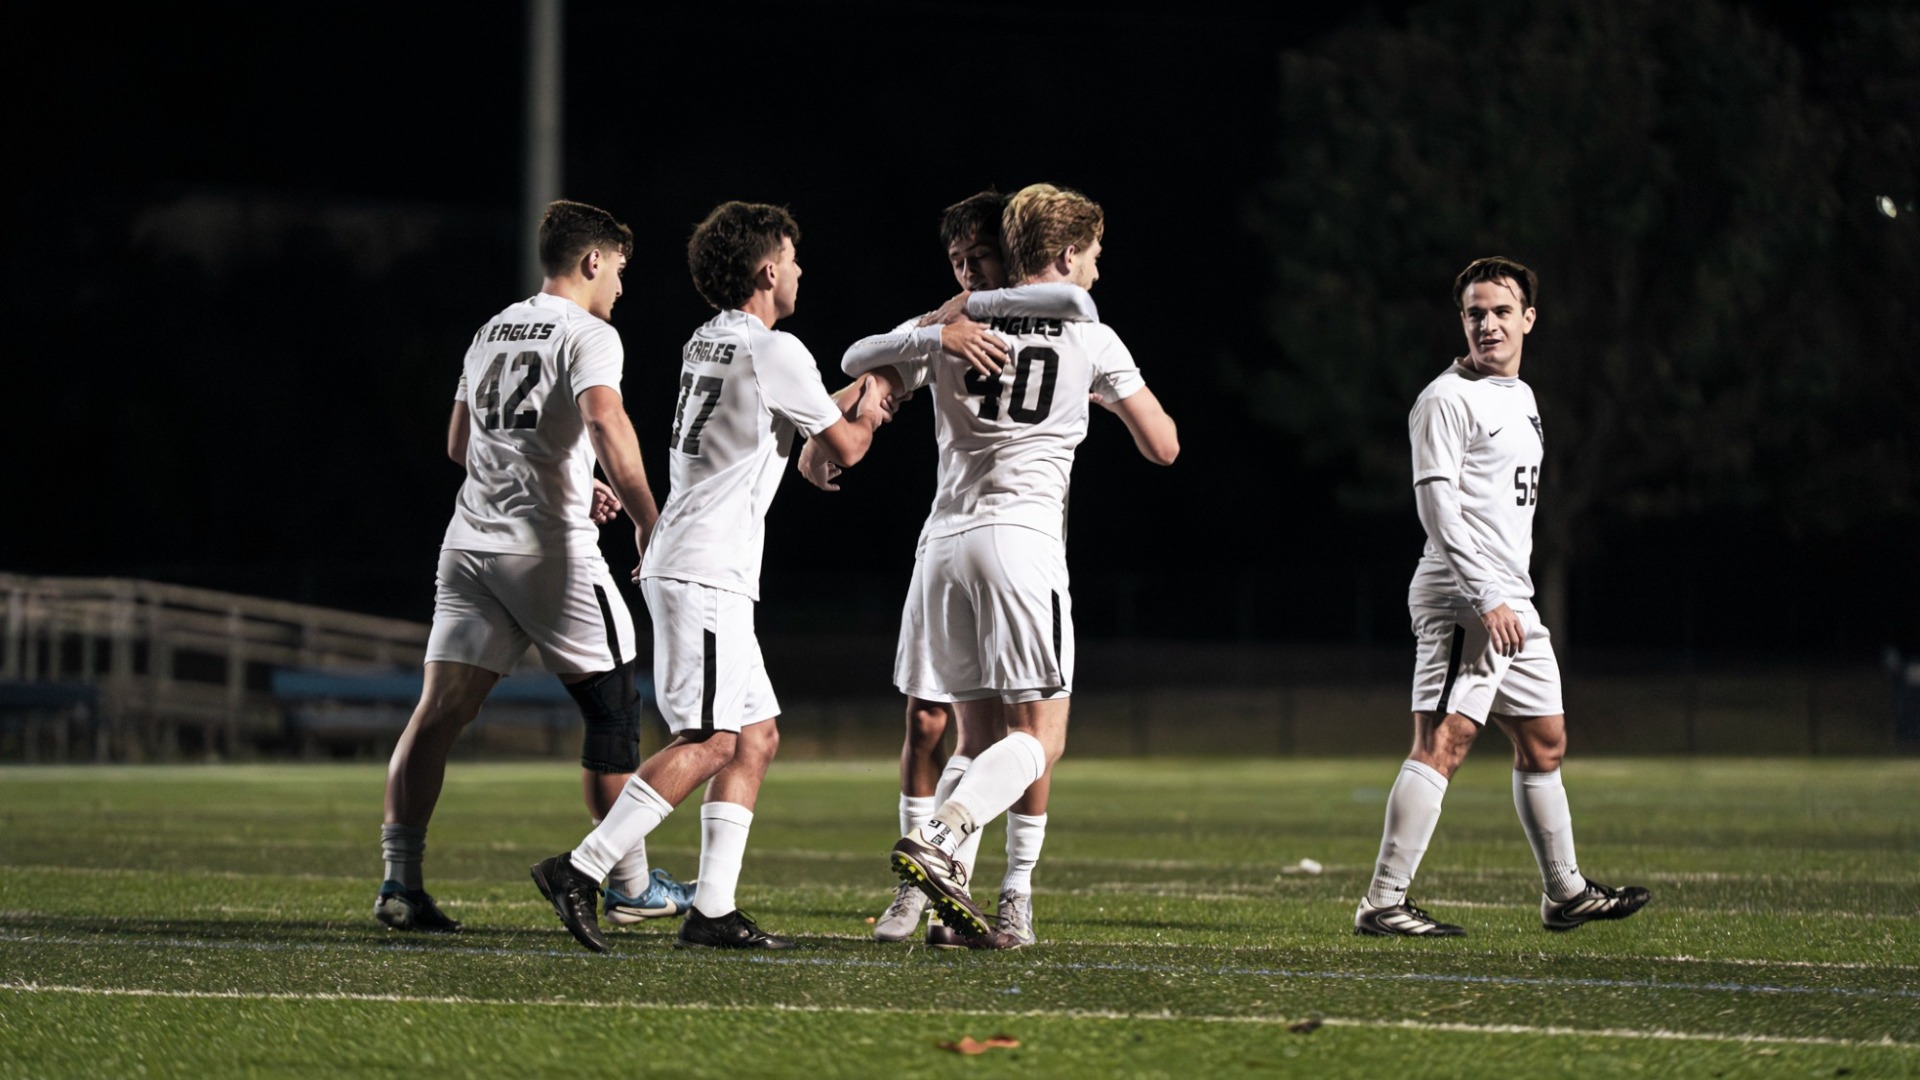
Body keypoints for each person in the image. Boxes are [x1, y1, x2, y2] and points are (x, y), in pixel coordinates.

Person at [530, 200, 894, 952]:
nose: (799, 270)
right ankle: (582, 868)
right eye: (791, 258)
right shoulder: (776, 347)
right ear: (768, 269)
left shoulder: (714, 339)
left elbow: (782, 429)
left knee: (754, 736)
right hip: (705, 568)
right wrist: (879, 399)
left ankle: (713, 909)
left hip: (698, 560)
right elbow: (844, 450)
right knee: (708, 739)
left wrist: (847, 403)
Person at [848, 183, 1178, 948]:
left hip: (943, 546)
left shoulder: (961, 319)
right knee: (1042, 738)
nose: (1096, 270)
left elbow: (863, 359)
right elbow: (1163, 447)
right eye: (1091, 255)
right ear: (1064, 254)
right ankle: (946, 836)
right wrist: (1105, 394)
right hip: (1021, 542)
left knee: (972, 737)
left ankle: (947, 891)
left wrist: (929, 336)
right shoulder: (1091, 334)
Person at [377, 199, 692, 933]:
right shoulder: (589, 332)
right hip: (548, 552)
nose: (619, 285)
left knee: (437, 715)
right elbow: (606, 420)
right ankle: (633, 884)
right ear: (590, 261)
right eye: (617, 269)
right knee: (612, 708)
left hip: (469, 546)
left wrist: (574, 480)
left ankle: (400, 882)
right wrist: (651, 519)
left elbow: (462, 444)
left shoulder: (492, 329)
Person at [803, 190, 1097, 947]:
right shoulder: (950, 325)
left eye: (980, 257)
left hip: (1008, 546)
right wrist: (829, 425)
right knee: (944, 723)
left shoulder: (1060, 324)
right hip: (969, 545)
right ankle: (929, 882)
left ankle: (1011, 890)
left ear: (1013, 254)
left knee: (1015, 734)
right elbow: (879, 375)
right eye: (957, 261)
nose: (967, 270)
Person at [1353, 256, 1650, 937]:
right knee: (1444, 741)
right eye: (1475, 313)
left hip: (1508, 598)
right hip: (1466, 595)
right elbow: (1439, 511)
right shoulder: (1444, 399)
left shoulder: (1521, 396)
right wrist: (1486, 593)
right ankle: (1383, 901)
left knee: (1545, 741)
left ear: (1529, 320)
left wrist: (1503, 594)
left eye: (1500, 311)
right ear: (1462, 321)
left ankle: (1565, 894)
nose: (1487, 324)